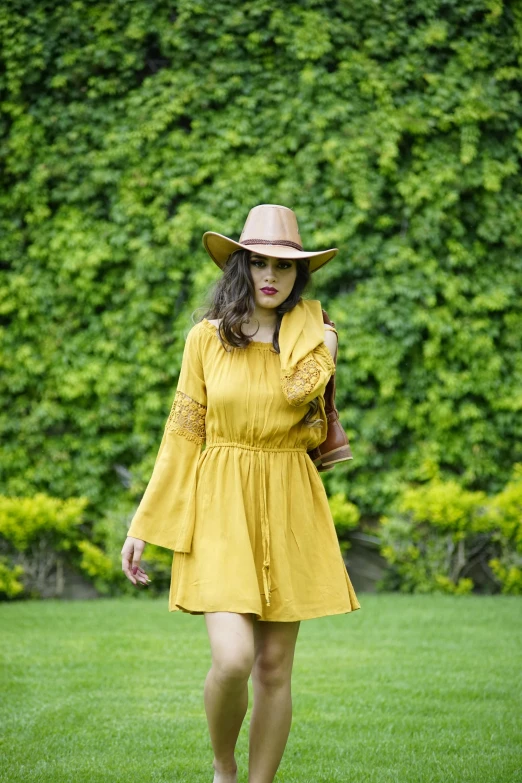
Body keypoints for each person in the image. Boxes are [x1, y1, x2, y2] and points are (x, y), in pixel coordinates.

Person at [121, 204, 361, 783]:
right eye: (258, 263)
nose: (270, 276)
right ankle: (224, 767)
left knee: (275, 668)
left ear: (299, 272)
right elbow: (182, 435)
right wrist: (142, 525)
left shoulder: (316, 333)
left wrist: (321, 343)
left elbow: (294, 399)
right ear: (242, 267)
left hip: (289, 497)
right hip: (221, 499)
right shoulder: (205, 339)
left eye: (283, 265)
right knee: (232, 660)